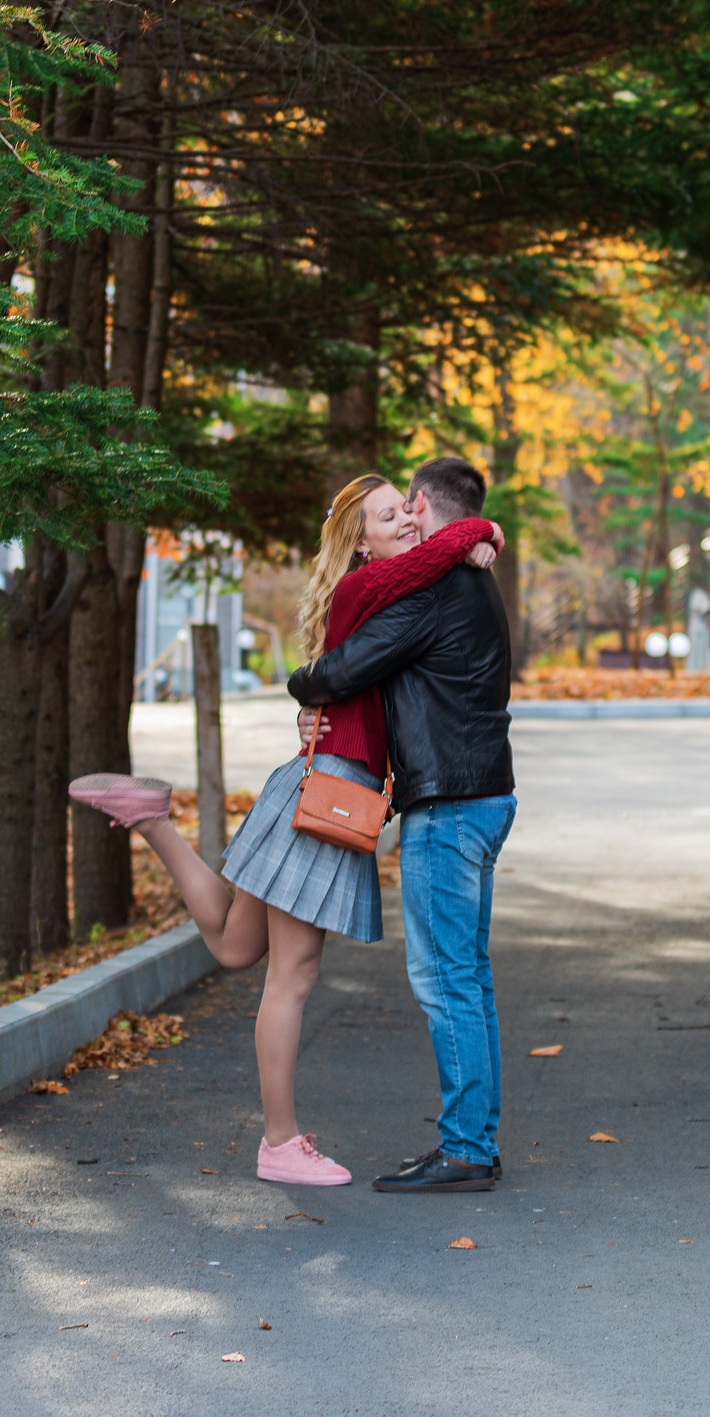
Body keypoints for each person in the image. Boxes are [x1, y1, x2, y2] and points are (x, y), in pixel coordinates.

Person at [68, 474, 500, 1187]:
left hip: (314, 781)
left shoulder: (375, 591)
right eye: (389, 516)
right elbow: (430, 562)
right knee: (290, 977)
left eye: (406, 511)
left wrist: (463, 543)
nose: (406, 524)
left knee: (236, 944)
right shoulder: (369, 586)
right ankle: (280, 1141)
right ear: (360, 540)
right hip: (332, 795)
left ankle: (152, 820)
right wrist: (479, 531)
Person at [288, 457, 516, 1195]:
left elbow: (343, 667)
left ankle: (466, 1151)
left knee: (445, 978)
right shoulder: (473, 577)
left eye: (406, 510)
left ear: (423, 505)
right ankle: (473, 1139)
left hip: (447, 806)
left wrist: (302, 686)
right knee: (468, 977)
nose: (405, 522)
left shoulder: (434, 587)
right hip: (483, 796)